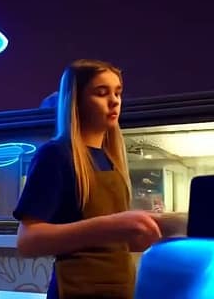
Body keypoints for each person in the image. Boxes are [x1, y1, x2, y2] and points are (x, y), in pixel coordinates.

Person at [13, 59, 162, 299]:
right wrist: (112, 226)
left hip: (121, 290)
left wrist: (146, 232)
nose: (114, 101)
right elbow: (28, 242)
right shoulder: (56, 155)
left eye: (117, 92)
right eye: (101, 93)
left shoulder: (112, 159)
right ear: (76, 101)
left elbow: (109, 244)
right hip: (77, 290)